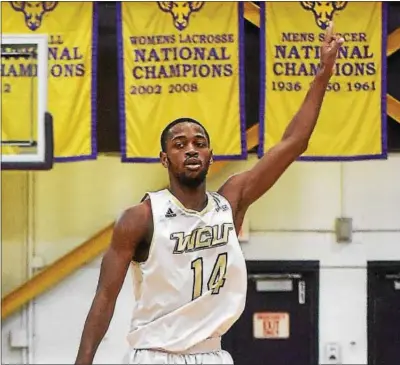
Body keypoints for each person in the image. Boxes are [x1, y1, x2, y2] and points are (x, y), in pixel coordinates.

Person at [75, 22, 344, 365]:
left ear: (210, 156)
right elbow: (104, 297)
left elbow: (294, 143)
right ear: (164, 158)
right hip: (155, 354)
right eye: (180, 144)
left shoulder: (230, 201)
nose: (191, 149)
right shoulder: (140, 217)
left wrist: (323, 74)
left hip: (212, 354)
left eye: (199, 144)